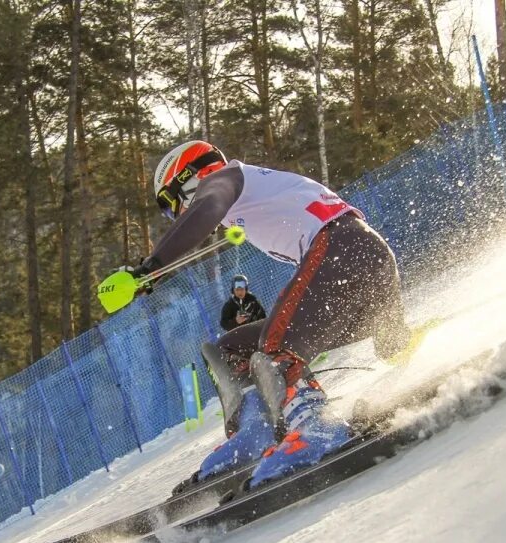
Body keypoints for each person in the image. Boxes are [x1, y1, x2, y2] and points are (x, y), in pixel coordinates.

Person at [132, 140, 410, 490]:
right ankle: (258, 429)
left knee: (274, 349)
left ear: (189, 178)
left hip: (344, 249)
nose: (177, 215)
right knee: (231, 348)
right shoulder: (252, 193)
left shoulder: (226, 178)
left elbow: (206, 207)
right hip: (362, 263)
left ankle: (318, 428)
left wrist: (151, 268)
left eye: (174, 206)